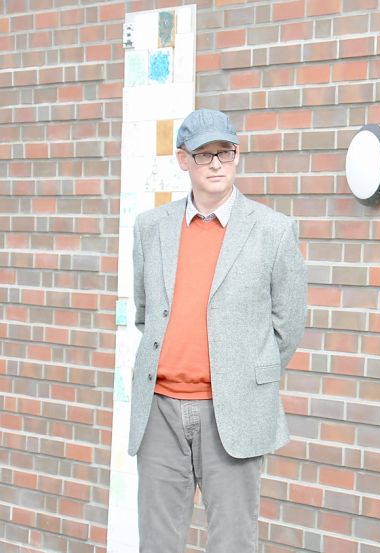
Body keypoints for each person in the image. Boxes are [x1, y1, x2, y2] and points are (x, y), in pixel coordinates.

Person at [128, 108, 307, 552]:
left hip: (233, 410)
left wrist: (242, 374)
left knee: (233, 542)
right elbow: (146, 313)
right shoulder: (151, 228)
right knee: (157, 542)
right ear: (182, 160)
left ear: (237, 155)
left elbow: (289, 325)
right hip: (160, 411)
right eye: (203, 154)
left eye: (224, 153)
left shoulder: (274, 231)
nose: (215, 164)